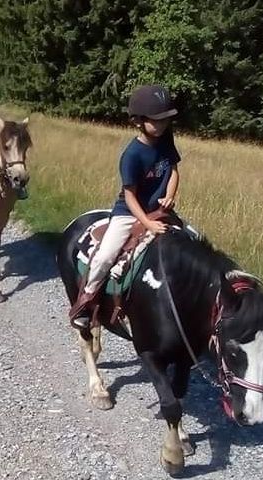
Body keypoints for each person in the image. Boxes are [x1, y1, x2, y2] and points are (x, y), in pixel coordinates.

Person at [69, 84, 181, 329]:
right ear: (138, 121)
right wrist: (147, 223)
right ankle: (86, 300)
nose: (162, 124)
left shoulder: (166, 141)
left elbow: (173, 170)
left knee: (191, 241)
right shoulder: (132, 155)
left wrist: (169, 196)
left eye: (165, 119)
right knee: (105, 257)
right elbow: (129, 196)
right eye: (156, 120)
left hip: (159, 211)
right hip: (130, 213)